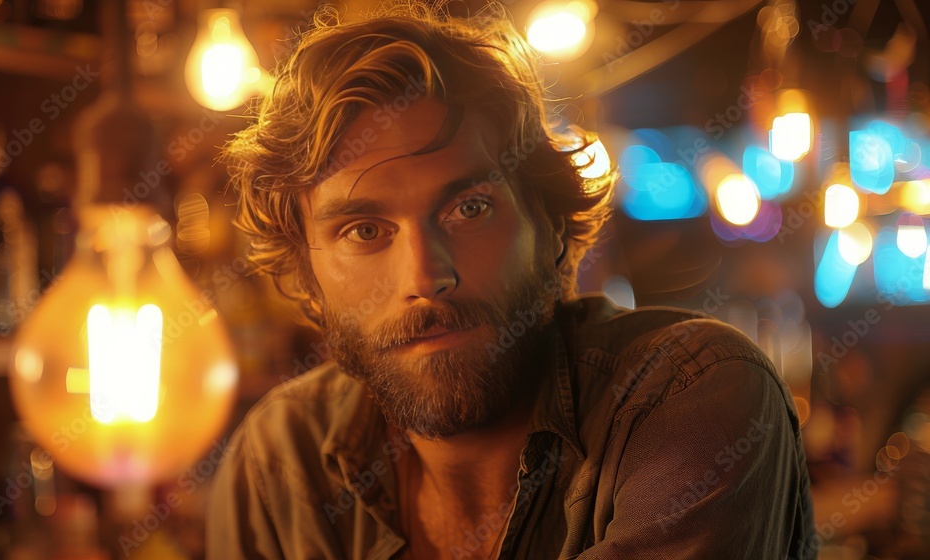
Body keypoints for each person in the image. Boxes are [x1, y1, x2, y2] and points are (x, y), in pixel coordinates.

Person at [207, 2, 816, 558]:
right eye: (364, 231)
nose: (426, 275)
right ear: (308, 276)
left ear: (548, 223)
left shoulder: (693, 393)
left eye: (469, 208)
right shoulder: (281, 462)